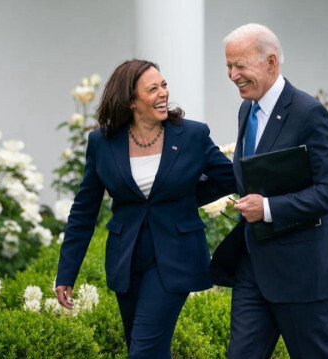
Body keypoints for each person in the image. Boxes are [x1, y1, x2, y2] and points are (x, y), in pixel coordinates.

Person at [55, 59, 235, 358]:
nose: (163, 93)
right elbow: (84, 211)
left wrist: (185, 197)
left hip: (175, 256)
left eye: (164, 85)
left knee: (144, 351)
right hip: (126, 259)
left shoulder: (191, 135)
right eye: (153, 89)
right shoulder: (102, 142)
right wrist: (66, 273)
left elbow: (227, 178)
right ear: (130, 100)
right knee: (144, 347)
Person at [215, 23, 328, 358]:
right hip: (253, 267)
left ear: (271, 62)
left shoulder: (308, 113)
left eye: (241, 65)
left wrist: (268, 208)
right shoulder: (247, 109)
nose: (233, 74)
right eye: (228, 66)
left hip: (302, 271)